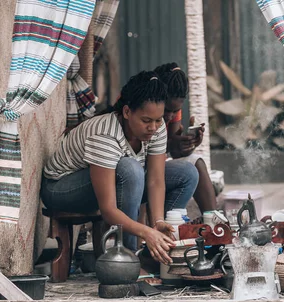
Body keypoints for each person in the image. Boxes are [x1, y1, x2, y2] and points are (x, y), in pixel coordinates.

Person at [41, 70, 199, 265]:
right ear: (126, 112)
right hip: (60, 189)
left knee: (187, 172)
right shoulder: (104, 134)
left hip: (109, 182)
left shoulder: (156, 129)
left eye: (158, 120)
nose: (154, 127)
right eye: (146, 121)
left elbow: (156, 180)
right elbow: (108, 209)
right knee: (130, 169)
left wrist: (157, 223)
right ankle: (129, 258)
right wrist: (145, 231)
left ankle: (161, 248)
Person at [154, 63, 218, 213]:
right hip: (141, 168)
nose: (170, 115)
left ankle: (214, 223)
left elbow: (174, 153)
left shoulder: (174, 109)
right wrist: (170, 146)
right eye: (167, 110)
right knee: (189, 172)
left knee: (197, 162)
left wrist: (189, 144)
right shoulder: (145, 107)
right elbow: (143, 150)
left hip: (159, 165)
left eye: (175, 111)